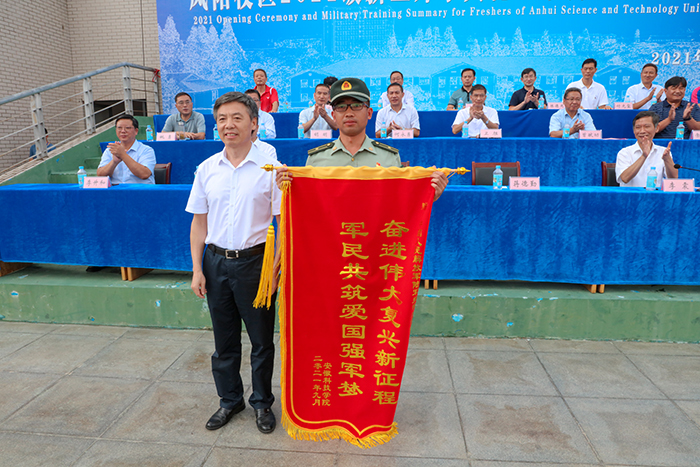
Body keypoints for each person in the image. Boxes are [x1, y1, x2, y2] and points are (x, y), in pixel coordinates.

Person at [187, 92, 281, 434]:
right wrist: (197, 269)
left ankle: (262, 402)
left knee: (261, 341)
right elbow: (199, 223)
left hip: (256, 264)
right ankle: (229, 400)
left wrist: (276, 269)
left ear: (254, 123)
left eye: (237, 117)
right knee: (224, 341)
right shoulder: (207, 169)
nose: (229, 125)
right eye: (222, 119)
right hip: (215, 263)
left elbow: (283, 222)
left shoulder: (271, 168)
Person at [276, 78, 447, 200]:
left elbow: (399, 202)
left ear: (370, 113)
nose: (349, 112)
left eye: (357, 105)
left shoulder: (389, 157)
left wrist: (429, 194)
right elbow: (309, 205)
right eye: (341, 107)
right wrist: (288, 190)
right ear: (333, 115)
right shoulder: (316, 159)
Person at [615, 111, 676, 187]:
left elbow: (673, 179)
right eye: (638, 127)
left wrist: (667, 160)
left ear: (657, 128)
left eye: (646, 126)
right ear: (634, 130)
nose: (642, 131)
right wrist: (643, 156)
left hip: (655, 194)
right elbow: (624, 178)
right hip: (631, 194)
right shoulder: (625, 153)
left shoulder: (663, 152)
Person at [97, 115, 155, 184]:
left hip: (139, 189)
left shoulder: (146, 150)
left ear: (136, 131)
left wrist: (122, 155)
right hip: (116, 189)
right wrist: (114, 162)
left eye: (127, 128)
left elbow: (144, 174)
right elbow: (100, 175)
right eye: (119, 128)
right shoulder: (110, 150)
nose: (123, 131)